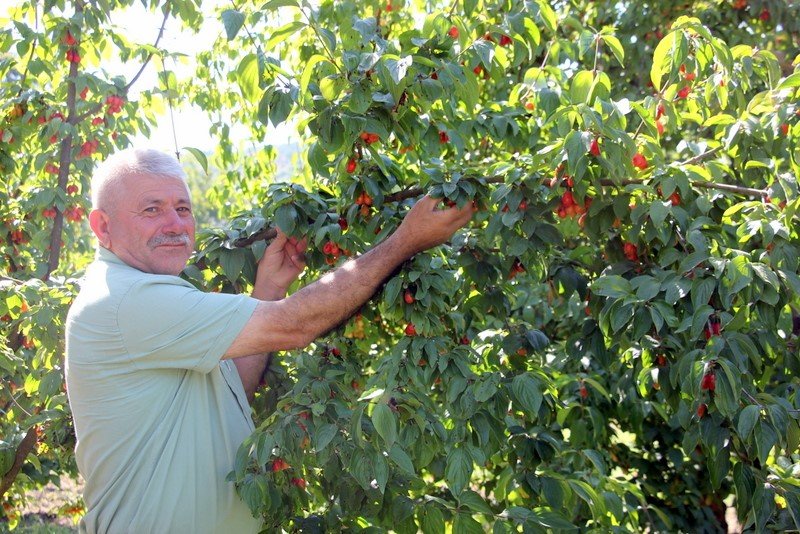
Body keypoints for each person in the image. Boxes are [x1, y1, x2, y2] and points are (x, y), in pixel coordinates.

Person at [65, 147, 474, 533]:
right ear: (103, 226)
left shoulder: (155, 295)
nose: (175, 225)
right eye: (152, 209)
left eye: (182, 208)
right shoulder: (128, 300)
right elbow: (295, 326)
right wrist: (405, 240)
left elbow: (232, 389)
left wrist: (268, 288)